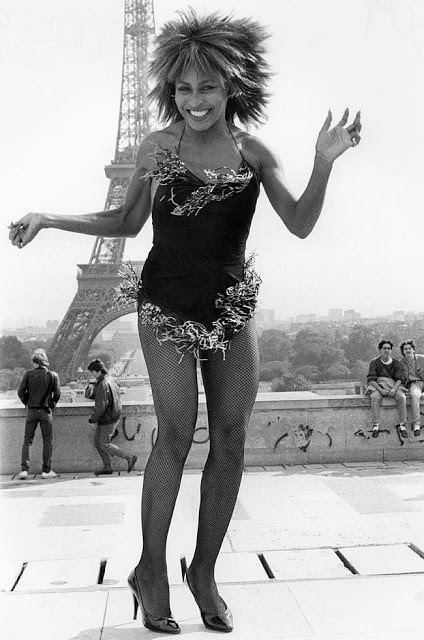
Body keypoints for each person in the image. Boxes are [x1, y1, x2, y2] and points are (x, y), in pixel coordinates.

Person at [9, 9, 361, 634]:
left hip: (231, 311)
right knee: (174, 435)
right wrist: (49, 217)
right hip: (166, 308)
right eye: (183, 88)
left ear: (233, 86)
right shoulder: (156, 147)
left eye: (208, 87)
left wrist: (325, 162)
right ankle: (151, 570)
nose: (195, 100)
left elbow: (301, 223)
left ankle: (203, 571)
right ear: (169, 89)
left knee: (229, 443)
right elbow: (124, 224)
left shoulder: (254, 152)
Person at [87, 359, 137, 476]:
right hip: (112, 415)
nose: (92, 375)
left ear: (99, 372)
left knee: (104, 444)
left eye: (93, 372)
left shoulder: (102, 384)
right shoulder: (110, 380)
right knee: (98, 442)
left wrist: (92, 419)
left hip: (107, 418)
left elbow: (101, 405)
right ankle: (107, 466)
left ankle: (129, 457)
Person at [17, 348, 61, 479]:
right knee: (47, 441)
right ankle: (46, 471)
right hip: (45, 411)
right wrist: (51, 404)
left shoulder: (28, 375)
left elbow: (20, 392)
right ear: (45, 361)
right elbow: (57, 394)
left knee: (28, 441)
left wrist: (28, 403)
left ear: (34, 362)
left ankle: (24, 470)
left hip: (31, 411)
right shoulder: (53, 375)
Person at [365, 340, 408, 438]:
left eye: (389, 348)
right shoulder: (374, 362)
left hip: (393, 386)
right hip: (378, 386)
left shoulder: (397, 363)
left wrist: (393, 390)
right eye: (384, 348)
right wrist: (381, 390)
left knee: (402, 397)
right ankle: (376, 425)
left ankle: (402, 425)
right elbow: (371, 380)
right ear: (380, 350)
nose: (386, 350)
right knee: (375, 398)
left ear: (391, 351)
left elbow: (399, 379)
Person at [400, 339, 424, 436]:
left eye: (409, 348)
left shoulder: (421, 358)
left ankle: (416, 424)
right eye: (405, 349)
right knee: (414, 394)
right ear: (403, 351)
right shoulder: (401, 363)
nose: (408, 350)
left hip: (420, 381)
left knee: (414, 395)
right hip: (411, 384)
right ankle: (416, 425)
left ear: (413, 349)